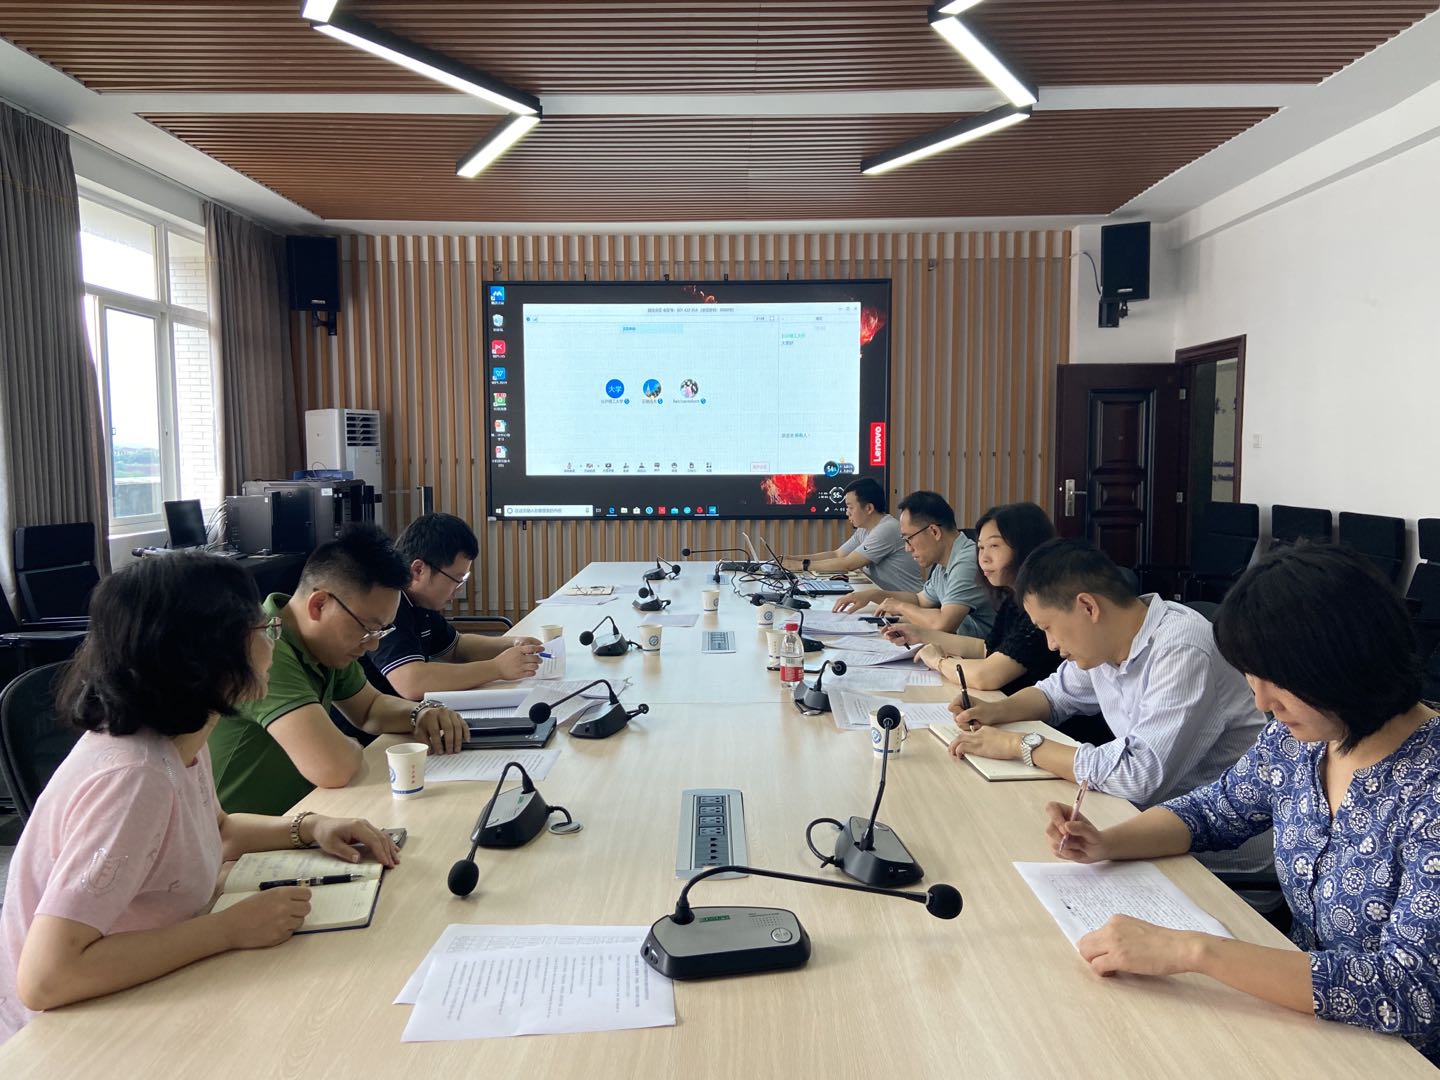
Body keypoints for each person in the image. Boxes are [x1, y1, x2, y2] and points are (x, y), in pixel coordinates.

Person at [1044, 545, 1440, 1063]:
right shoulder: (1301, 741)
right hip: (1309, 1024)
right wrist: (1106, 843)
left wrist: (1192, 950)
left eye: (1277, 680)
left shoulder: (1428, 787)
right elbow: (1214, 810)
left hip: (1400, 1056)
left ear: (1344, 663)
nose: (1261, 703)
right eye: (1252, 677)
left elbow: (1410, 989)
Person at [0, 553, 399, 1045]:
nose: (271, 645)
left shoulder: (178, 736)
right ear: (206, 653)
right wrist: (228, 929)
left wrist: (311, 827)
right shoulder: (135, 778)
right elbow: (47, 977)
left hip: (145, 986)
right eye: (263, 631)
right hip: (68, 1034)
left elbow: (219, 831)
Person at [947, 537, 1270, 873]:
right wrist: (993, 711)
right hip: (1140, 826)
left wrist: (1021, 745)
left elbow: (1138, 775)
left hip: (1212, 858)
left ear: (1088, 607)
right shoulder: (1107, 642)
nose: (1051, 644)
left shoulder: (1183, 649)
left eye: (1049, 628)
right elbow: (1055, 695)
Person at [208, 524, 467, 816]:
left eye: (380, 631)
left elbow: (369, 708)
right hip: (244, 835)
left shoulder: (322, 645)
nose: (372, 645)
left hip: (305, 814)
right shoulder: (265, 648)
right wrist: (350, 744)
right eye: (367, 628)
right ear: (319, 605)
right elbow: (334, 767)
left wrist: (420, 712)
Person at [882, 501, 1059, 694]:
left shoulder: (1045, 604)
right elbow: (986, 649)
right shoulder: (1014, 599)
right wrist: (920, 634)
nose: (983, 558)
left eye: (994, 545)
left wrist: (938, 661)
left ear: (1026, 547)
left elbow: (987, 676)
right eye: (981, 547)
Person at [365, 512, 544, 699]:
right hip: (383, 717)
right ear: (418, 570)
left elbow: (456, 647)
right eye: (457, 580)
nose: (459, 590)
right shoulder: (386, 603)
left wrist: (512, 644)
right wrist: (497, 668)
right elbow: (411, 682)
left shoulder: (420, 602)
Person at [833, 490, 994, 636]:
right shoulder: (945, 561)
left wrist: (900, 607)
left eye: (908, 538)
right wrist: (873, 595)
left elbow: (942, 624)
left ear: (934, 532)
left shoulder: (967, 562)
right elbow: (920, 600)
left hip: (983, 655)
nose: (907, 548)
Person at [781, 477, 922, 593]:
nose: (847, 512)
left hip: (907, 603)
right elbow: (838, 554)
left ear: (869, 508)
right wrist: (793, 559)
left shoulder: (886, 529)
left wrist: (801, 566)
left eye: (850, 507)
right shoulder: (864, 529)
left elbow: (848, 564)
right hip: (884, 599)